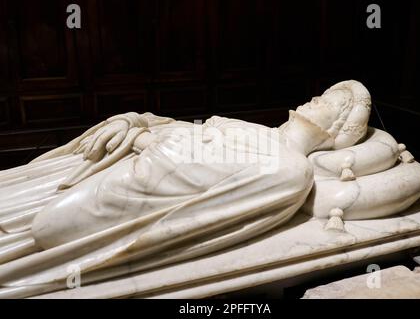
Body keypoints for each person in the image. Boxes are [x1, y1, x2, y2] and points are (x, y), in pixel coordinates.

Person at [0, 80, 371, 297]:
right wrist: (135, 120)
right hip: (118, 159)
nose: (319, 98)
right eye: (326, 92)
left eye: (333, 102)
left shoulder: (290, 168)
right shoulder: (258, 131)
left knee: (44, 227)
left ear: (339, 129)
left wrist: (146, 141)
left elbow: (188, 180)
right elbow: (179, 130)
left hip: (126, 184)